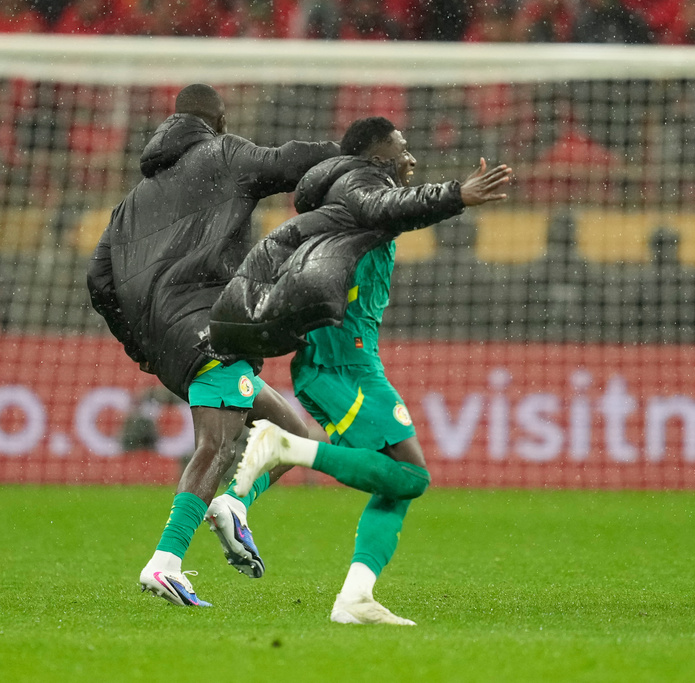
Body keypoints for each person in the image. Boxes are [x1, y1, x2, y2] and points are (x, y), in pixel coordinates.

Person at [206, 116, 511, 624]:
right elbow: (390, 205)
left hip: (343, 357)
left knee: (394, 483)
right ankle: (285, 448)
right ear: (376, 156)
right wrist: (458, 193)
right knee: (411, 475)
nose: (410, 159)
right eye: (402, 148)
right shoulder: (359, 185)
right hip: (341, 360)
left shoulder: (349, 193)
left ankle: (346, 590)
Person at [87, 83, 343, 607]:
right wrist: (350, 155)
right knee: (219, 445)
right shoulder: (222, 153)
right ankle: (165, 562)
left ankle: (232, 504)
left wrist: (142, 346)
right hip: (210, 324)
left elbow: (100, 283)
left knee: (294, 433)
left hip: (169, 342)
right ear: (218, 121)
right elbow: (285, 162)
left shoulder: (130, 204)